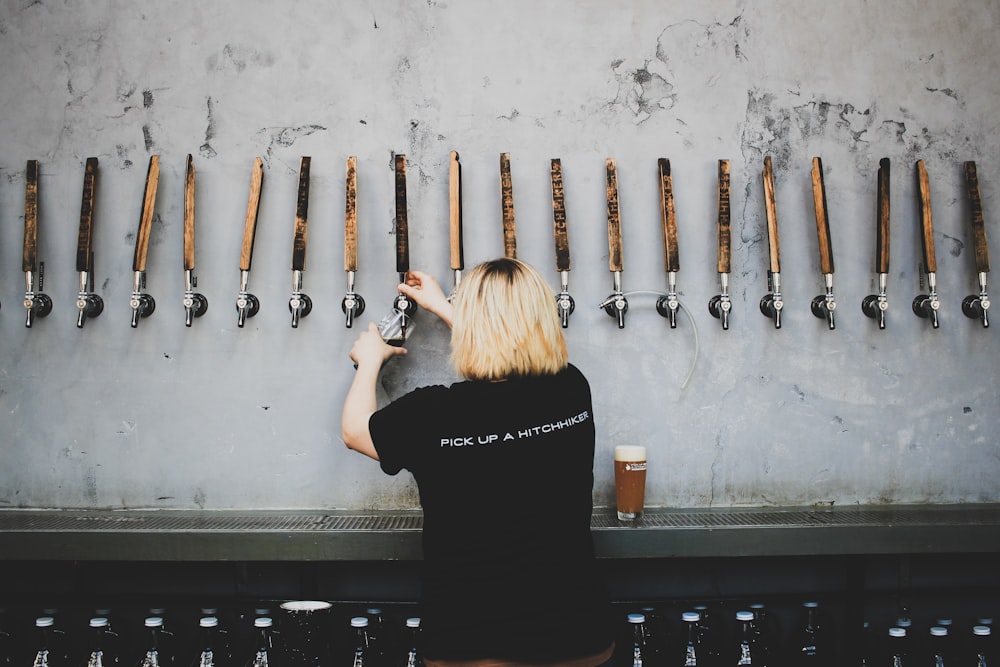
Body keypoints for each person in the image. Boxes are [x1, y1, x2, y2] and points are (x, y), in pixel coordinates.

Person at [342, 258, 615, 667]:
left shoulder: (432, 415)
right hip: (577, 637)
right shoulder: (571, 388)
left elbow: (356, 431)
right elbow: (507, 349)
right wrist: (441, 305)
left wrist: (369, 363)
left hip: (470, 642)